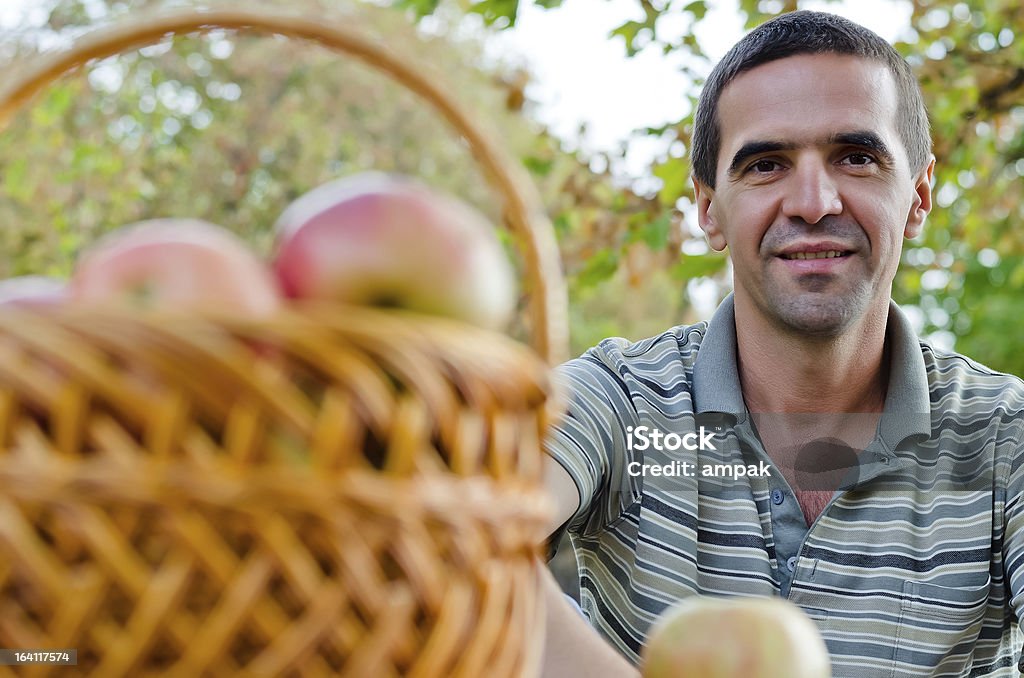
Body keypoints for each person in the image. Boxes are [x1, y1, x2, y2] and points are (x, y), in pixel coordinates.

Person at [537, 9, 1024, 678]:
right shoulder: (619, 401)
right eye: (766, 164)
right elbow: (459, 540)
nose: (814, 200)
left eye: (855, 157)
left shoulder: (1005, 436)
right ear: (709, 210)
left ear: (918, 195)